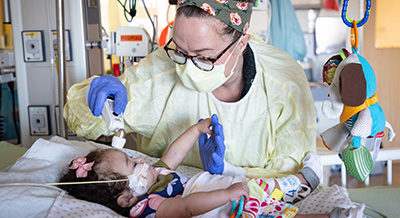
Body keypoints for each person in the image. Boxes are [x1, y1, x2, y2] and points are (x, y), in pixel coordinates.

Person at [65, 0, 315, 195]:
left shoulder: (283, 81)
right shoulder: (159, 71)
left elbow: (293, 176)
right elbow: (83, 121)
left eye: (204, 57)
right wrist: (92, 97)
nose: (188, 66)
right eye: (180, 51)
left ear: (241, 44)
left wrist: (228, 173)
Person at [59, 115, 365, 218]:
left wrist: (195, 130)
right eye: (130, 162)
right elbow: (189, 208)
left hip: (230, 195)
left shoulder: (153, 176)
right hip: (225, 208)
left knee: (270, 200)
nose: (140, 159)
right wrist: (229, 193)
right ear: (127, 198)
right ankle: (308, 189)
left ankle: (302, 186)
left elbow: (174, 154)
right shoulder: (149, 206)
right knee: (275, 208)